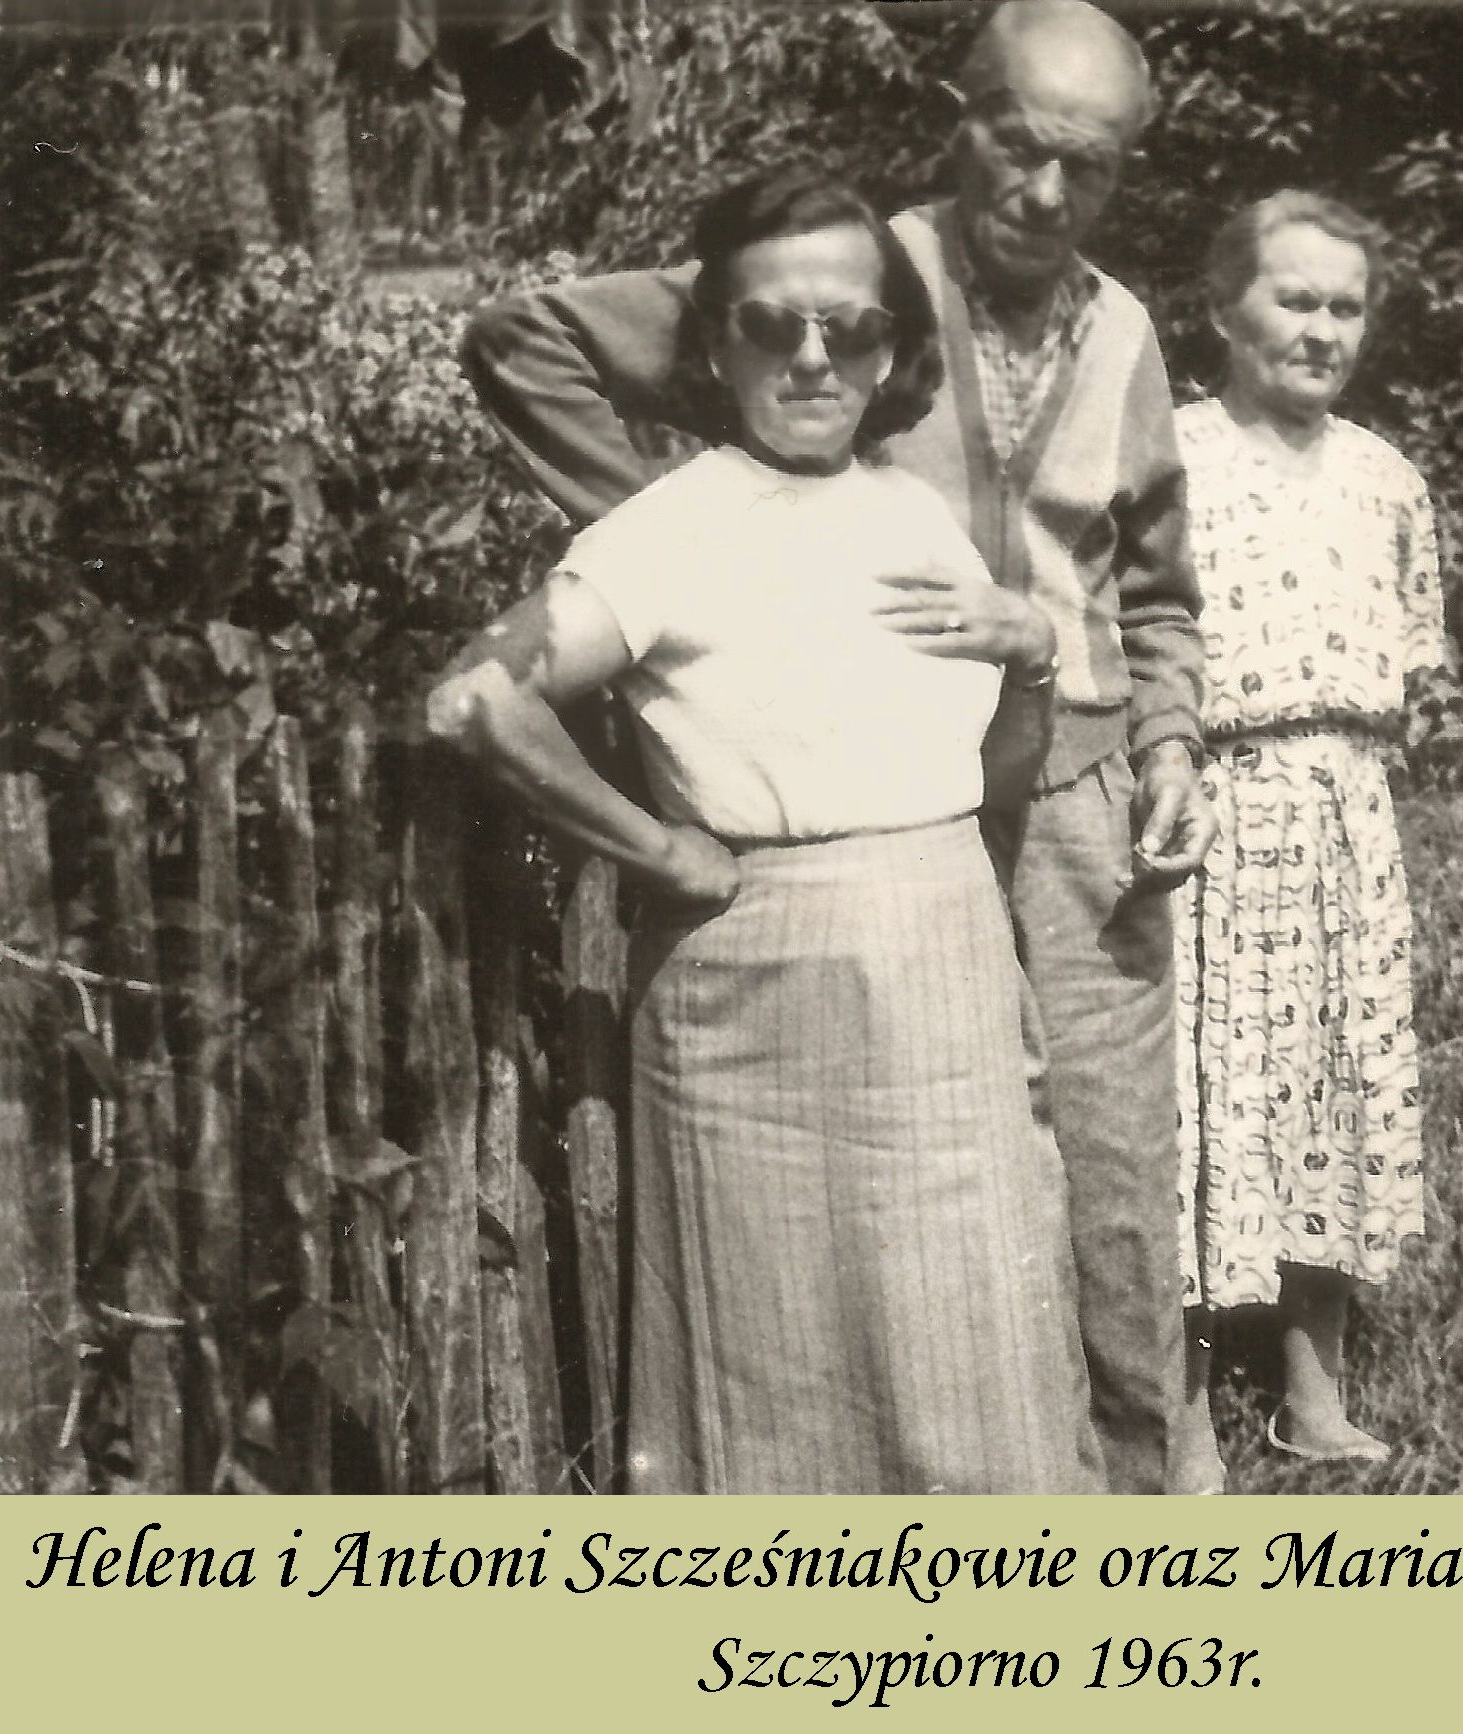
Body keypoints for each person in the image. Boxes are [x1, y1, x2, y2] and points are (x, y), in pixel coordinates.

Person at [461, 0, 1214, 1493]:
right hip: (850, 823)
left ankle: (1138, 1490)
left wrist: (1174, 733)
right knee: (869, 1217)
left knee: (1105, 1167)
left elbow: (1157, 582)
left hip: (1064, 776)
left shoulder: (1123, 327)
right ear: (956, 117)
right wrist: (708, 542)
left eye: (1092, 166)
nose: (1049, 193)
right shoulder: (849, 278)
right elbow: (524, 339)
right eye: (1022, 146)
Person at [1170, 191, 1446, 1483]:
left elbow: (1414, 664)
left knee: (1334, 1080)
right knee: (1199, 1089)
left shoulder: (1388, 479)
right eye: (1295, 299)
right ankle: (1176, 1411)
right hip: (1209, 809)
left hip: (1345, 817)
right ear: (1224, 311)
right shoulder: (1168, 457)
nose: (1322, 329)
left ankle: (1311, 1392)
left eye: (1347, 306)